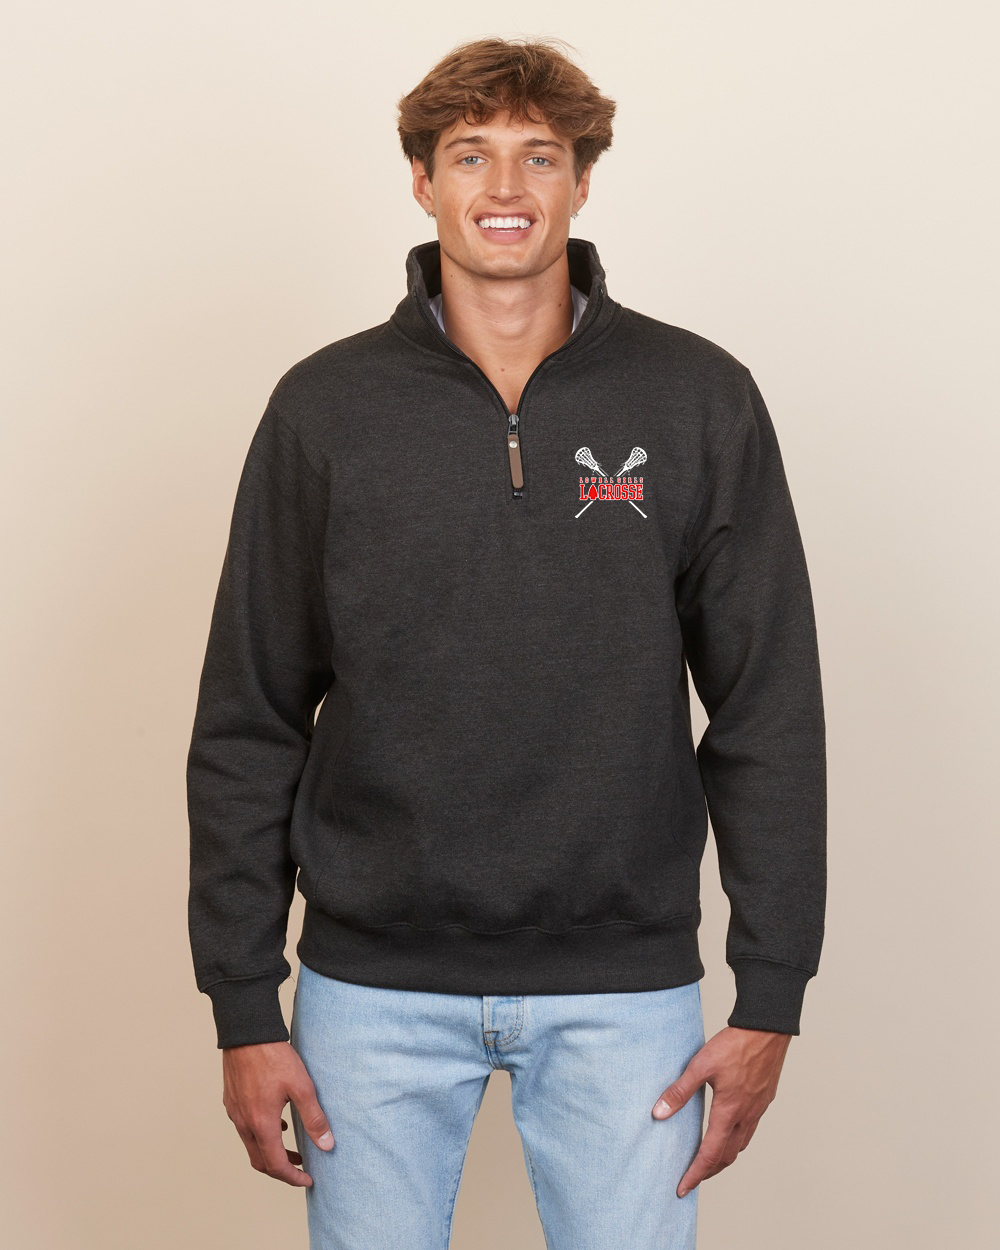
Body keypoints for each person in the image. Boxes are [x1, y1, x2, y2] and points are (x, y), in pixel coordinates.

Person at [186, 35, 827, 1250]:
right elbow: (249, 717)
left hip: (625, 987)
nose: (505, 187)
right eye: (470, 154)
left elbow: (767, 709)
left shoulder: (697, 397)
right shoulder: (325, 409)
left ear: (582, 181)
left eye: (540, 155)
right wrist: (243, 1005)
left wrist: (772, 993)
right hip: (368, 990)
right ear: (421, 180)